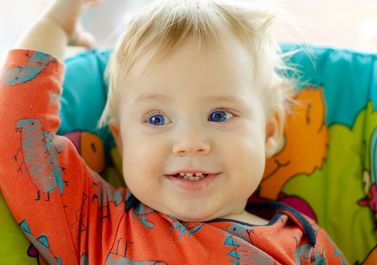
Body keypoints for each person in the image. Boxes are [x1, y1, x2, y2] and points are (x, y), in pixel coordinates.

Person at [0, 0, 348, 263]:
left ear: (269, 131)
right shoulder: (94, 221)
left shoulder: (305, 245)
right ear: (122, 142)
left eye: (218, 114)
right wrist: (56, 23)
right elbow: (16, 133)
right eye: (156, 120)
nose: (190, 144)